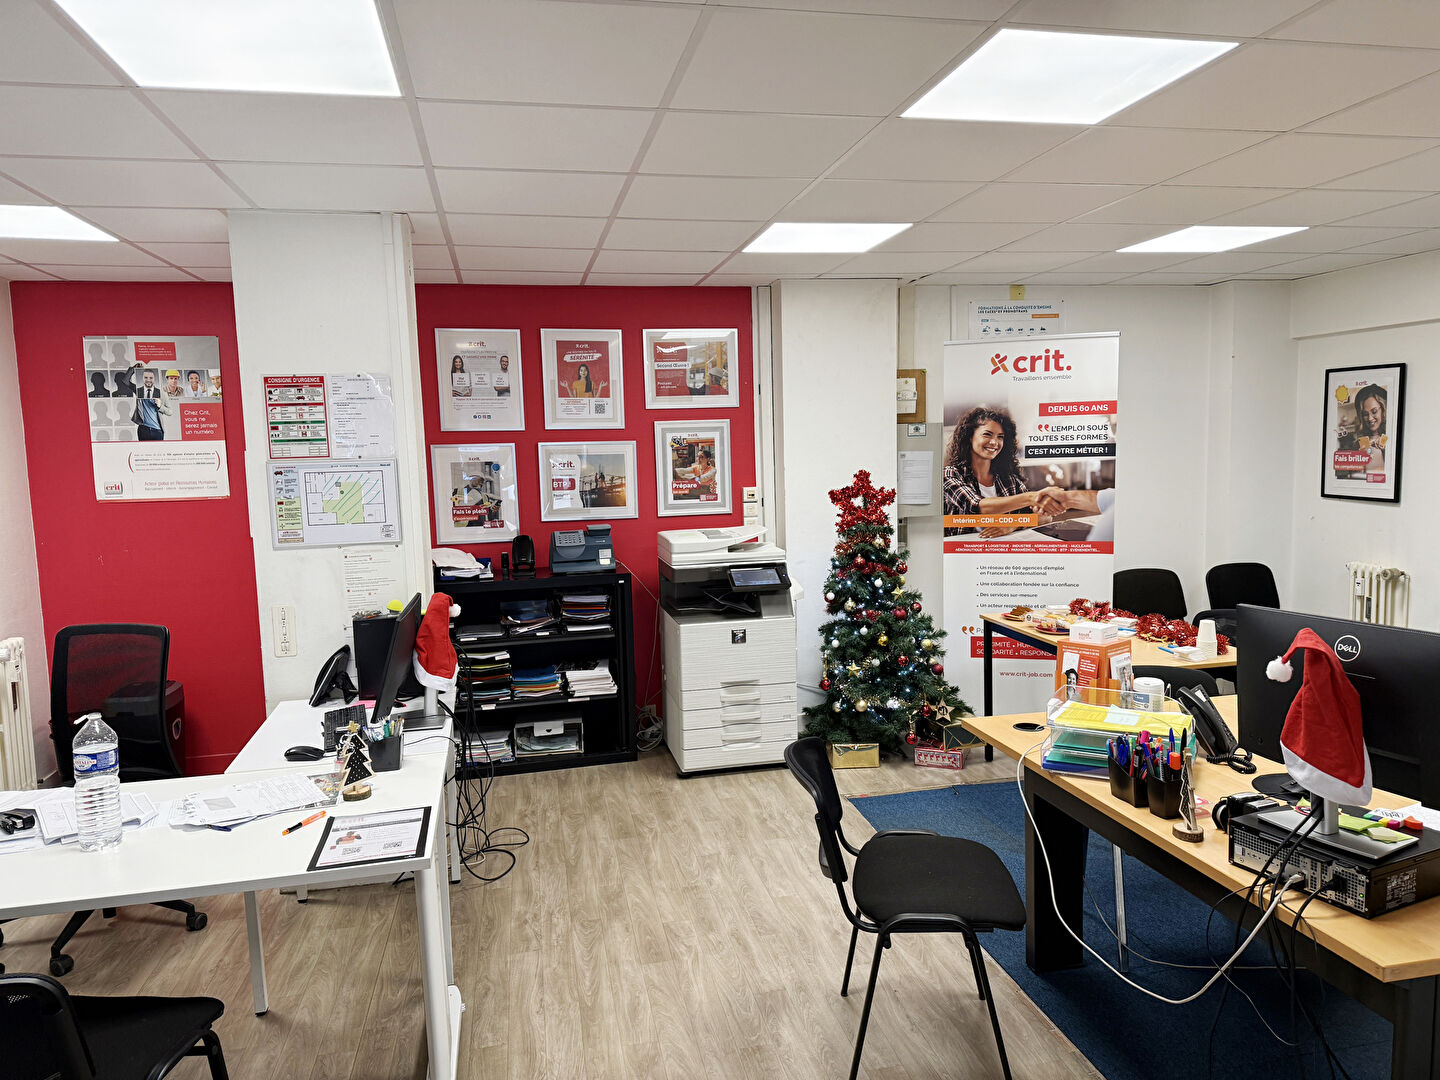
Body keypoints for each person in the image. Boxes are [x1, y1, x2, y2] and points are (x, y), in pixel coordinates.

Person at [942, 406, 1063, 537]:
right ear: (969, 437)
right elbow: (977, 508)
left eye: (1000, 437)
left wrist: (1012, 524)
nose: (994, 442)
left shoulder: (1008, 479)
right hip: (964, 548)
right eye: (987, 434)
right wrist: (1031, 497)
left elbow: (1045, 517)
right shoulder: (950, 475)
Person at [131, 368, 170, 441]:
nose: (148, 380)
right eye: (146, 377)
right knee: (143, 449)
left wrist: (160, 406)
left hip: (157, 431)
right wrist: (133, 369)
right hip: (143, 430)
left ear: (154, 379)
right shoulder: (139, 391)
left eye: (151, 378)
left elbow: (170, 412)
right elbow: (125, 381)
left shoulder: (162, 394)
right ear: (142, 378)